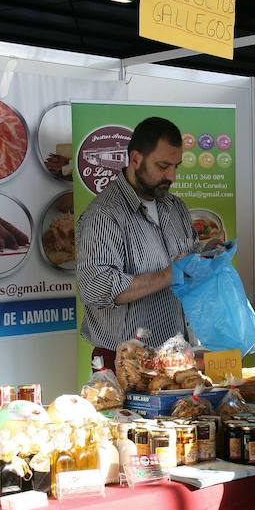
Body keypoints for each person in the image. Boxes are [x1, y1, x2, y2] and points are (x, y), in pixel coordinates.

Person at [77, 116, 202, 369]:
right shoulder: (104, 214)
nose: (172, 176)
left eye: (176, 166)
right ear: (135, 159)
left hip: (177, 357)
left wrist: (207, 259)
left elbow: (191, 264)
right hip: (124, 363)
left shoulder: (175, 207)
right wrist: (170, 274)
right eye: (163, 166)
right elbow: (96, 288)